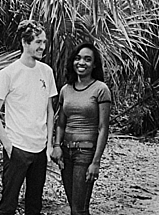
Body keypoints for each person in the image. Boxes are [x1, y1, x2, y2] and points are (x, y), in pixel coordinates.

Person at [0, 19, 58, 215]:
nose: (42, 47)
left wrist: (49, 145)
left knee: (34, 206)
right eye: (38, 42)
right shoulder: (9, 73)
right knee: (8, 205)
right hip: (17, 148)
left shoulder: (47, 71)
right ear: (25, 43)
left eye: (44, 42)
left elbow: (49, 110)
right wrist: (9, 146)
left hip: (40, 150)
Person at [50, 42, 111, 214]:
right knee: (76, 208)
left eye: (87, 59)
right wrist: (56, 146)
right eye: (77, 58)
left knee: (78, 209)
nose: (81, 63)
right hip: (66, 152)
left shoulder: (100, 89)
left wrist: (96, 162)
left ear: (94, 64)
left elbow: (103, 128)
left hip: (85, 153)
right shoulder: (66, 90)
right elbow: (60, 123)